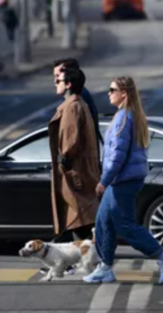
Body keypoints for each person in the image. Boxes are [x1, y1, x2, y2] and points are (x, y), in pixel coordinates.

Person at [84, 77, 163, 285]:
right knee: (104, 221)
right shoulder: (129, 115)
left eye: (112, 89)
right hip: (124, 179)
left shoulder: (124, 117)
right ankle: (105, 268)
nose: (108, 93)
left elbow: (117, 155)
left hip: (122, 180)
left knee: (124, 224)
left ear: (124, 93)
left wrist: (104, 180)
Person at [49, 67, 101, 242]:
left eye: (58, 81)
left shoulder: (72, 107)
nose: (55, 83)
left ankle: (84, 265)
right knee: (80, 222)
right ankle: (81, 264)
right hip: (80, 172)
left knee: (78, 221)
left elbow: (70, 141)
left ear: (69, 84)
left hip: (74, 174)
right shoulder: (79, 104)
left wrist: (63, 160)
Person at [54, 58, 102, 157]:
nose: (55, 81)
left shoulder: (75, 103)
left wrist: (63, 160)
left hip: (79, 167)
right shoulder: (77, 97)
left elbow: (71, 140)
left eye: (58, 77)